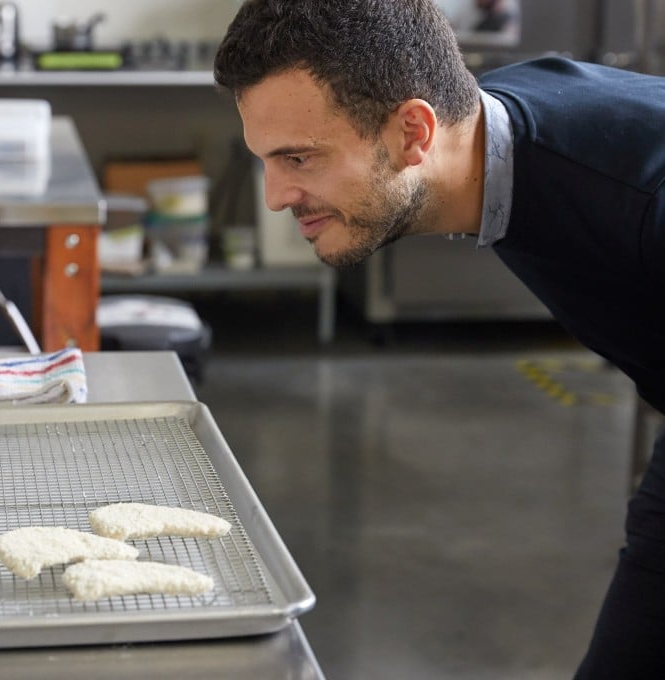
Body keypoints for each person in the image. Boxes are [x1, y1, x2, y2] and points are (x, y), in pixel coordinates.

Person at [214, 1, 665, 678]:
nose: (277, 195)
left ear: (413, 132)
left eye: (300, 157)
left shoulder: (634, 197)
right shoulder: (496, 137)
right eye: (267, 161)